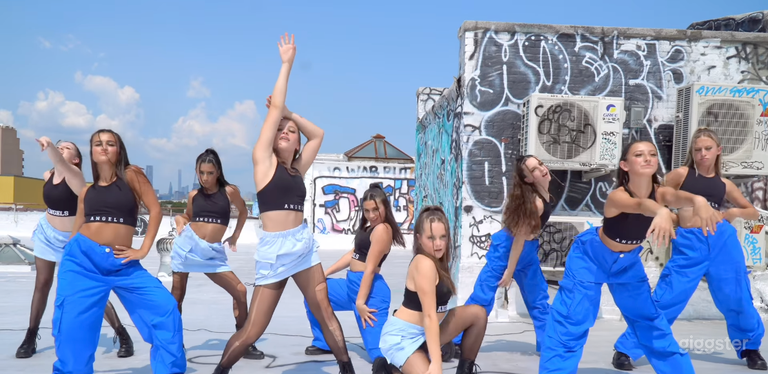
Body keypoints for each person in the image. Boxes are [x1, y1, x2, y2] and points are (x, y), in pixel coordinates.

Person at [212, 33, 355, 374]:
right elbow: (274, 109)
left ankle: (347, 368)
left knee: (326, 313)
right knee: (253, 330)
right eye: (281, 130)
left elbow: (317, 134)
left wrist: (292, 113)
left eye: (292, 130)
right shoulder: (263, 162)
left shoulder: (297, 169)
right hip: (275, 251)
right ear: (272, 139)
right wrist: (287, 64)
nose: (287, 132)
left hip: (303, 246)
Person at [538, 140, 723, 374]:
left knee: (651, 321)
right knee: (573, 319)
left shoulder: (662, 192)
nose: (647, 158)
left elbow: (680, 198)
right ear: (625, 165)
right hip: (591, 258)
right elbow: (641, 205)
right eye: (639, 155)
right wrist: (661, 211)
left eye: (652, 154)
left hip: (627, 263)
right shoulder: (617, 196)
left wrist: (698, 201)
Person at [612, 128, 767, 371]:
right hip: (690, 242)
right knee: (668, 296)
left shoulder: (724, 184)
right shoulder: (680, 175)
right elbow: (656, 197)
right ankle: (626, 349)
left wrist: (734, 212)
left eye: (707, 148)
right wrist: (668, 220)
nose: (702, 154)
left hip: (722, 241)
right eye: (697, 150)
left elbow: (752, 211)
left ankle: (750, 348)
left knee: (737, 296)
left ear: (718, 151)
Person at [51, 129, 186, 374]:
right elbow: (77, 228)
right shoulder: (86, 192)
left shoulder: (132, 176)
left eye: (110, 143)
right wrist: (69, 257)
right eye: (97, 144)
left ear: (119, 150)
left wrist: (143, 250)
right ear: (91, 152)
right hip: (82, 261)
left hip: (123, 263)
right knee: (73, 331)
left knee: (165, 309)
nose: (103, 147)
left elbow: (155, 210)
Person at [17, 137, 134, 360]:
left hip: (72, 239)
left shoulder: (76, 176)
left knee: (88, 288)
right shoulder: (48, 175)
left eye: (67, 147)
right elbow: (55, 170)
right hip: (46, 233)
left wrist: (50, 146)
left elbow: (61, 165)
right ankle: (30, 336)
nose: (62, 148)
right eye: (59, 146)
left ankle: (122, 333)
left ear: (77, 159)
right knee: (42, 284)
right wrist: (54, 150)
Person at [450, 155, 553, 358]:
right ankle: (453, 341)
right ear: (528, 179)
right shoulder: (535, 203)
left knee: (538, 299)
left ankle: (549, 344)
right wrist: (510, 270)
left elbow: (518, 227)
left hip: (527, 250)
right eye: (533, 169)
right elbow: (518, 239)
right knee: (482, 298)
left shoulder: (543, 193)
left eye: (539, 164)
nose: (541, 169)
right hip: (509, 250)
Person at [170, 148, 264, 360]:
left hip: (213, 254)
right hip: (188, 249)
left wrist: (235, 236)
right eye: (201, 173)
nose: (205, 178)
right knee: (176, 297)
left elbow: (243, 211)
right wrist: (179, 219)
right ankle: (173, 342)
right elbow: (188, 216)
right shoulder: (194, 195)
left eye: (210, 173)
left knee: (240, 291)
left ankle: (244, 342)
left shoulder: (229, 191)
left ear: (218, 172)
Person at [303, 183, 406, 373]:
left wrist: (360, 302)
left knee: (378, 352)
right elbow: (354, 254)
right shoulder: (369, 228)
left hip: (370, 293)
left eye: (376, 210)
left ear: (385, 208)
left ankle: (424, 345)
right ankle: (324, 342)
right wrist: (325, 274)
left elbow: (369, 269)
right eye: (367, 211)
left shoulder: (383, 230)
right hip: (351, 286)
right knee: (314, 295)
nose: (371, 215)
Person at [379, 205, 487, 374]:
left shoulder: (439, 261)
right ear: (419, 239)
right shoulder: (424, 263)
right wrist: (436, 363)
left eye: (442, 237)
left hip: (427, 333)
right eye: (431, 238)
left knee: (478, 314)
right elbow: (429, 316)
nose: (438, 244)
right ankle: (389, 369)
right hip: (404, 337)